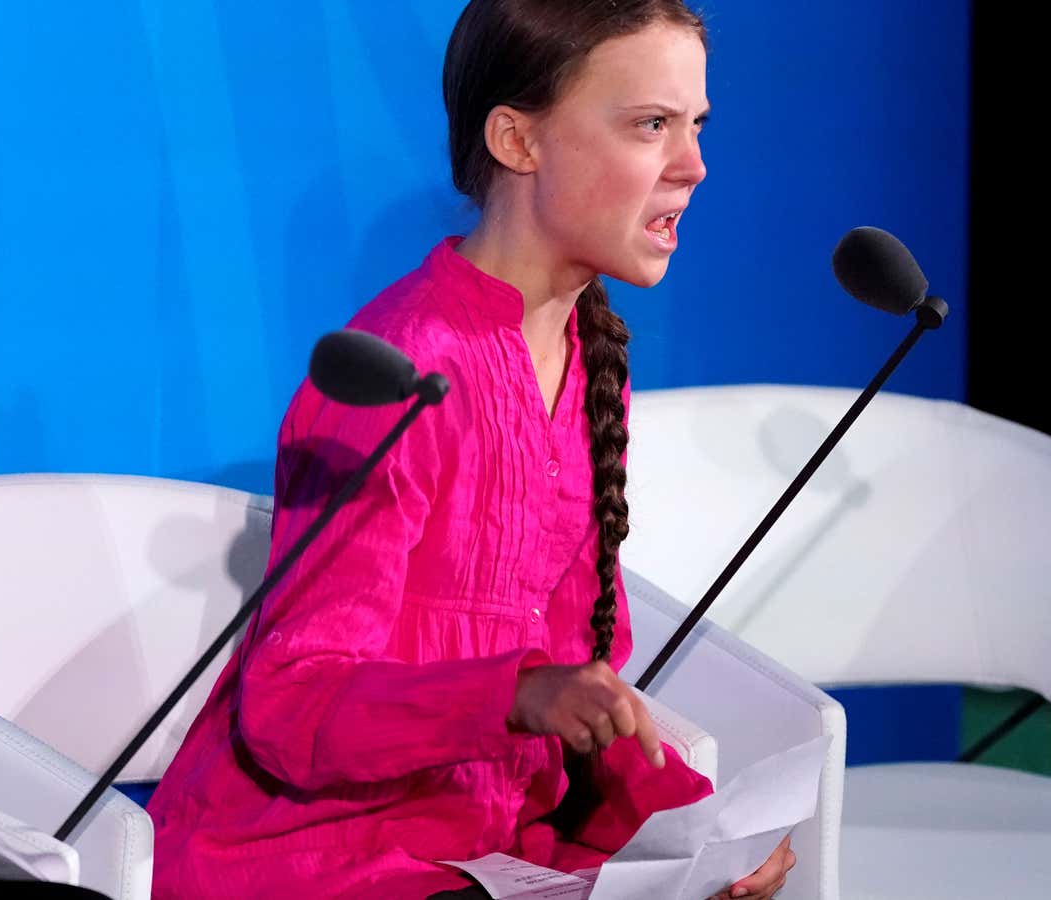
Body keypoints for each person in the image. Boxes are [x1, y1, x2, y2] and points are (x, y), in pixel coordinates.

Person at [147, 2, 796, 897]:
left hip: (489, 851)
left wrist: (699, 828)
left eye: (694, 127)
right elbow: (290, 710)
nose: (693, 166)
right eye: (651, 125)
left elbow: (581, 692)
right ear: (517, 140)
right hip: (317, 858)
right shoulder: (401, 376)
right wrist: (515, 694)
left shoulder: (587, 360)